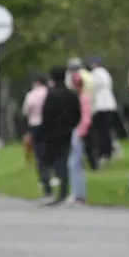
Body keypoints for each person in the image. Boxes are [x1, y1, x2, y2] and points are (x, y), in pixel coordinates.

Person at [39, 67, 81, 205]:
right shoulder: (71, 95)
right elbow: (77, 114)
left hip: (52, 132)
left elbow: (46, 114)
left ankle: (49, 188)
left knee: (47, 160)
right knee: (64, 159)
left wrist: (45, 130)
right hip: (66, 131)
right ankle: (63, 190)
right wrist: (71, 125)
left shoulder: (51, 95)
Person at [21, 74, 51, 197]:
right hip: (49, 126)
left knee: (39, 155)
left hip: (35, 126)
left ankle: (45, 183)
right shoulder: (49, 93)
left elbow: (25, 111)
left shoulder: (31, 95)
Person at [66, 57, 98, 170]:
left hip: (82, 118)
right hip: (90, 111)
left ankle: (88, 164)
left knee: (84, 143)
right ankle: (93, 164)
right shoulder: (88, 76)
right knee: (90, 143)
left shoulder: (81, 95)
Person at [67, 71, 92, 205]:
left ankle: (78, 194)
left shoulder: (84, 98)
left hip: (79, 132)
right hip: (75, 130)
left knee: (74, 163)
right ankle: (77, 192)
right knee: (75, 164)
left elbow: (86, 118)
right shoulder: (77, 97)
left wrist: (80, 132)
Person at [89, 57, 118, 165]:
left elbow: (93, 86)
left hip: (100, 105)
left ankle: (104, 152)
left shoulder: (95, 73)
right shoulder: (105, 73)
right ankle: (109, 150)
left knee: (101, 131)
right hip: (109, 104)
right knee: (106, 130)